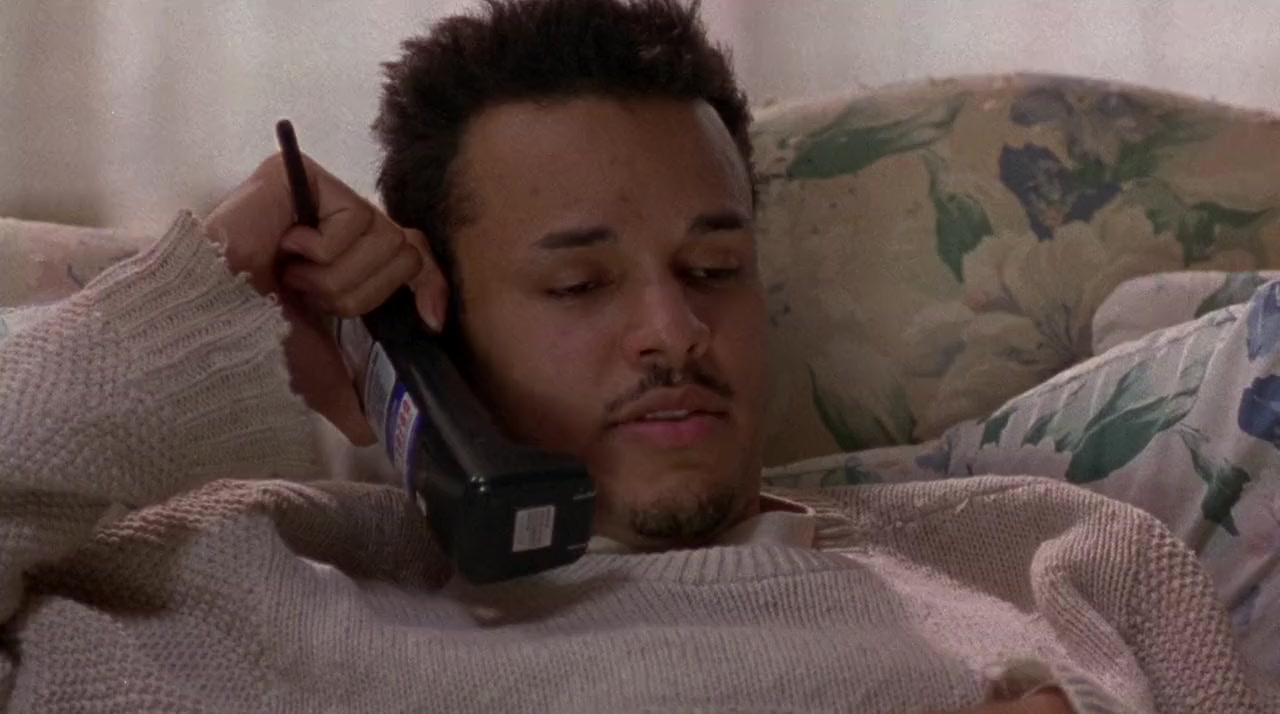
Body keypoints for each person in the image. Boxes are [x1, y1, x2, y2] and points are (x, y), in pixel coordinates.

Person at [0, 1, 1271, 712]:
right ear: (429, 322)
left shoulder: (1051, 555)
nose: (673, 331)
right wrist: (209, 276)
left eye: (712, 269)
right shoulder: (247, 589)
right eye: (578, 283)